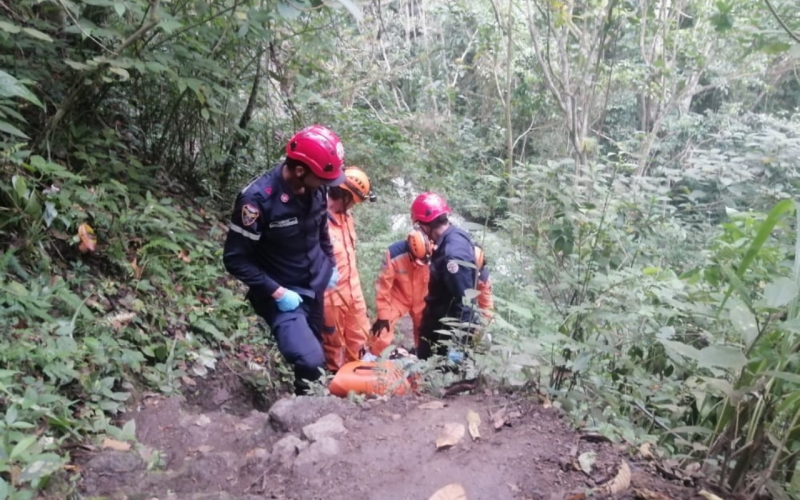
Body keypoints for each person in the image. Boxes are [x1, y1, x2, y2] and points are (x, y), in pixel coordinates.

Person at [222, 124, 345, 395]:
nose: (328, 186)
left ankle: (305, 409)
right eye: (323, 179)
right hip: (282, 294)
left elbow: (321, 229)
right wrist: (277, 292)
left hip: (315, 284)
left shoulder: (317, 188)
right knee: (310, 359)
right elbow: (234, 259)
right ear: (300, 171)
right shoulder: (256, 202)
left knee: (317, 359)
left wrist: (330, 265)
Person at [411, 192, 480, 361]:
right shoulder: (457, 235)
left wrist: (458, 346)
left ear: (426, 226)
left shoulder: (452, 256)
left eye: (420, 226)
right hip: (438, 324)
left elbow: (465, 301)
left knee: (435, 379)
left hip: (444, 332)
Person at [322, 166, 376, 371]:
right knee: (333, 344)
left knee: (360, 338)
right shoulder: (318, 220)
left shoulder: (347, 218)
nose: (354, 205)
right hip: (331, 296)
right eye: (354, 200)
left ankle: (361, 377)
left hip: (354, 292)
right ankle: (336, 385)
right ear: (345, 194)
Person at [371, 228, 432, 355]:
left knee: (425, 332)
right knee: (382, 330)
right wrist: (383, 315)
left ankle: (422, 358)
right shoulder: (393, 254)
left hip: (422, 298)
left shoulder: (432, 253)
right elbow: (383, 286)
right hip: (399, 297)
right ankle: (376, 359)